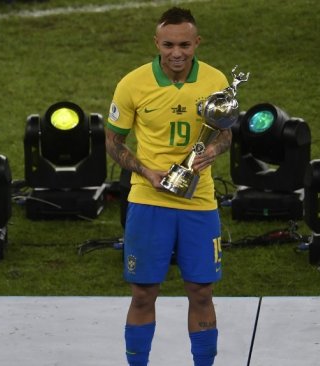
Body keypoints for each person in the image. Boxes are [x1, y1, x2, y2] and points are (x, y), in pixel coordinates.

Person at [105, 6, 231, 366]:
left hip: (199, 201)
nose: (177, 53)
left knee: (201, 291)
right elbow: (113, 142)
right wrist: (145, 172)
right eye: (169, 44)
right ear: (157, 43)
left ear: (197, 43)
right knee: (144, 293)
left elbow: (226, 133)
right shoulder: (132, 84)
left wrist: (213, 150)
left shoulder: (215, 80)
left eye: (185, 45)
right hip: (148, 200)